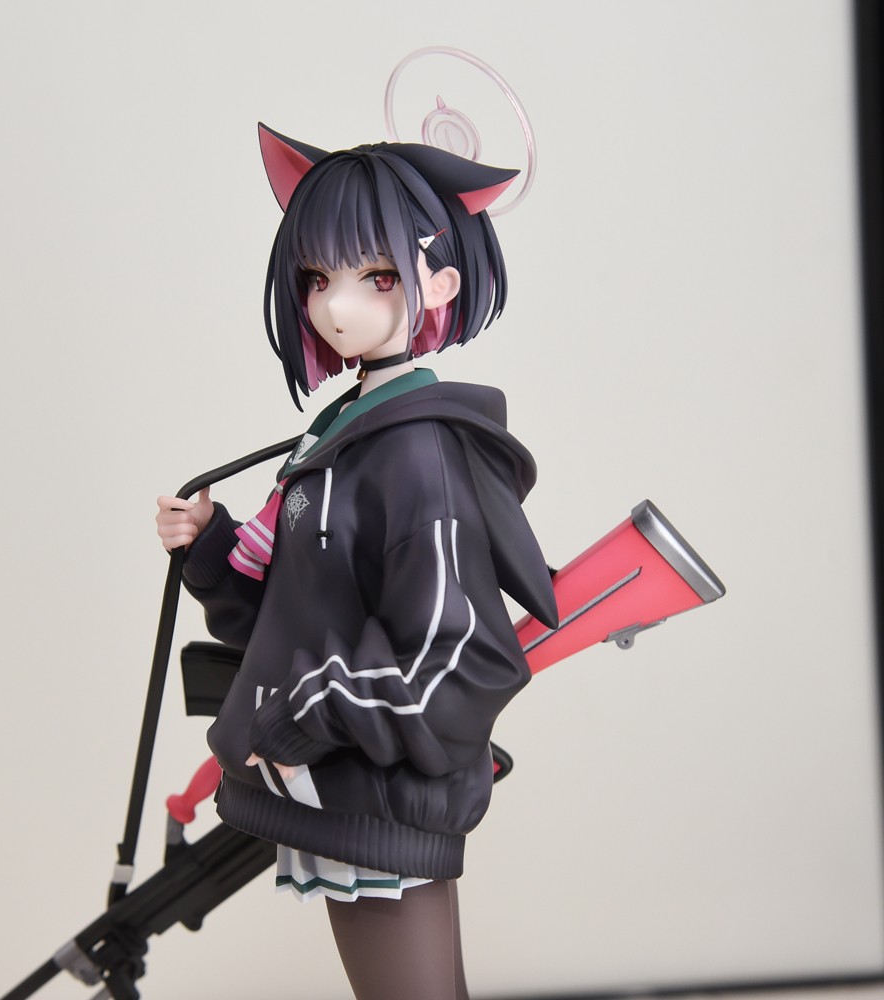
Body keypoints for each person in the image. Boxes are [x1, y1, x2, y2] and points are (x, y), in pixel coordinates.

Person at [155, 124, 557, 1000]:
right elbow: (289, 608)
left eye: (376, 277)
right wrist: (213, 545)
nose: (337, 306)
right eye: (317, 277)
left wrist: (309, 715)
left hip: (375, 790)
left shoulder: (419, 452)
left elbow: (460, 652)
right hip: (333, 789)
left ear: (439, 282)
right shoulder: (337, 436)